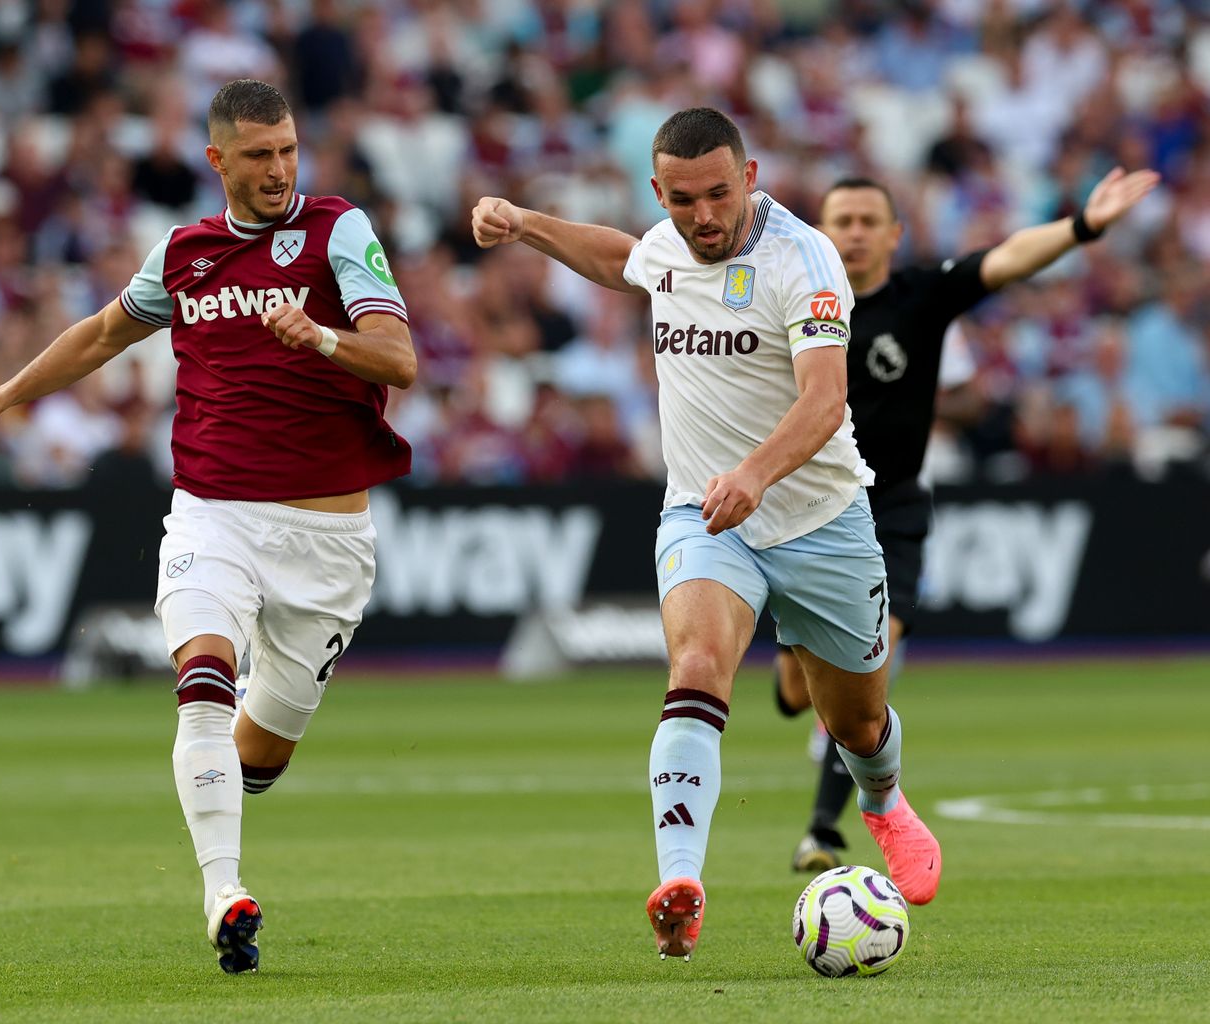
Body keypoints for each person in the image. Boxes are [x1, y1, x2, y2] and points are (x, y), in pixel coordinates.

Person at [0, 78, 416, 974]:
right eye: (259, 156)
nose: (279, 171)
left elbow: (401, 359)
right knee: (203, 674)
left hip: (327, 542)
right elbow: (100, 334)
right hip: (214, 513)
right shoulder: (184, 254)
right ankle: (224, 895)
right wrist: (3, 395)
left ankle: (227, 804)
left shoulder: (338, 229)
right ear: (216, 161)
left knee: (258, 758)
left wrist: (319, 336)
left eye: (288, 151)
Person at [472, 107, 940, 960]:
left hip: (821, 519)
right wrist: (528, 223)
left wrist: (756, 474)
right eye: (683, 200)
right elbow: (624, 260)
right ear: (660, 191)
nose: (704, 217)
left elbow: (825, 400)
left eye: (720, 194)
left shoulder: (802, 258)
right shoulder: (668, 242)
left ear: (750, 176)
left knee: (857, 721)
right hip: (703, 512)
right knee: (695, 667)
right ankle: (680, 881)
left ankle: (881, 801)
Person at [780, 167, 1158, 873]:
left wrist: (1083, 225)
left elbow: (1007, 257)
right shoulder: (793, 299)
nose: (855, 233)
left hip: (889, 509)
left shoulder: (922, 297)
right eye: (842, 220)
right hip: (804, 510)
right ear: (820, 234)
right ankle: (795, 685)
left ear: (894, 233)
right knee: (799, 692)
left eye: (869, 220)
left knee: (871, 663)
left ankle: (824, 828)